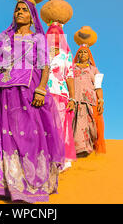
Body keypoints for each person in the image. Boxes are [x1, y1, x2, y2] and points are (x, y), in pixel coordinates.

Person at [0, 0, 64, 203]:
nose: (19, 12)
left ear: (32, 16)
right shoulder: (4, 39)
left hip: (28, 91)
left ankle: (27, 186)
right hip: (2, 93)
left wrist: (41, 89)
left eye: (23, 9)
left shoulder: (38, 39)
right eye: (17, 9)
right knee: (0, 136)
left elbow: (44, 66)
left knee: (28, 135)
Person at [45, 22, 77, 171]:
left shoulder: (66, 55)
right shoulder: (41, 53)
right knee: (46, 126)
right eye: (51, 33)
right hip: (44, 93)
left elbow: (69, 76)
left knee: (61, 127)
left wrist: (72, 98)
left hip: (61, 94)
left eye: (57, 33)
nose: (54, 36)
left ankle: (62, 159)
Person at [73, 44, 105, 154]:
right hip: (74, 100)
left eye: (85, 52)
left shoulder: (94, 70)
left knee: (90, 125)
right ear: (77, 55)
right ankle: (78, 150)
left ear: (89, 56)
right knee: (74, 123)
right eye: (80, 52)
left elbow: (98, 87)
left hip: (89, 102)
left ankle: (87, 150)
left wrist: (101, 101)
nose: (83, 54)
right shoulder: (71, 68)